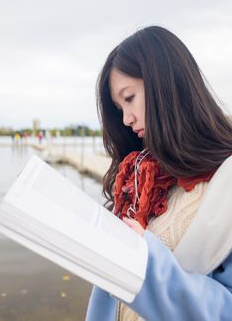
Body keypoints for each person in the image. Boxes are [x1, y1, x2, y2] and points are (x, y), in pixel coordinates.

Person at [86, 26, 232, 320]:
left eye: (129, 99)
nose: (126, 119)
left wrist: (144, 261)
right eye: (119, 108)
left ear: (168, 85)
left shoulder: (225, 183)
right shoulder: (140, 177)